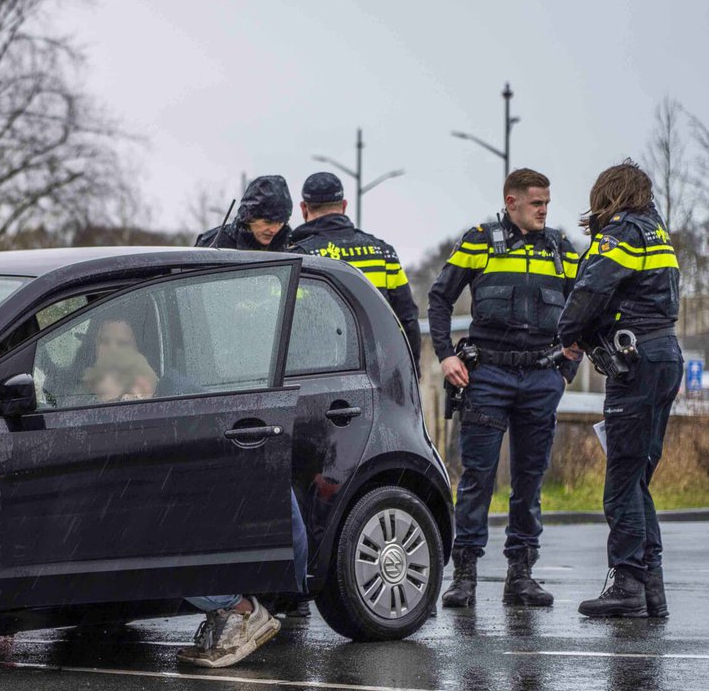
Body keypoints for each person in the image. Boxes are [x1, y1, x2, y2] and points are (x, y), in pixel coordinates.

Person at [428, 168, 581, 608]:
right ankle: (466, 576)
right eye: (536, 203)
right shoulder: (479, 240)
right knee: (477, 477)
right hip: (488, 376)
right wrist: (445, 356)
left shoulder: (560, 248)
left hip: (540, 377)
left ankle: (522, 574)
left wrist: (566, 368)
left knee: (530, 481)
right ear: (511, 202)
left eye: (547, 203)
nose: (544, 210)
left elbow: (584, 307)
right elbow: (439, 298)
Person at [556, 162, 682, 619]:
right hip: (664, 355)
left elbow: (590, 291)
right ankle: (652, 589)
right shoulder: (657, 232)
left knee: (622, 481)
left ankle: (626, 582)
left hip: (636, 362)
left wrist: (566, 334)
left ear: (607, 195)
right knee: (639, 478)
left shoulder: (622, 234)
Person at [287, 172, 421, 367]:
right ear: (344, 206)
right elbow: (407, 320)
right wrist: (412, 374)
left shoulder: (299, 256)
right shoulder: (383, 253)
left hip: (317, 372)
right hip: (379, 370)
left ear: (303, 208)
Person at [196, 175, 293, 251]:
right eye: (268, 222)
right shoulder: (213, 244)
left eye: (280, 223)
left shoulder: (291, 247)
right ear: (249, 217)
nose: (274, 230)